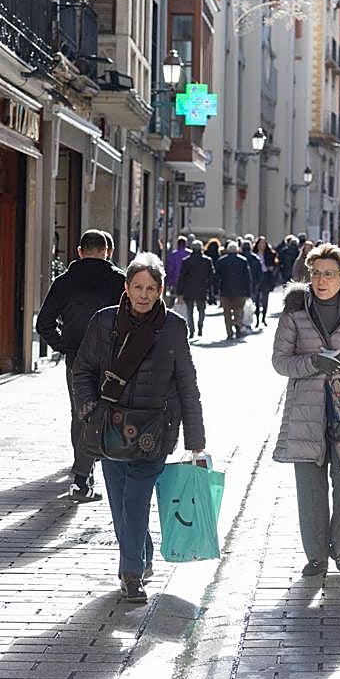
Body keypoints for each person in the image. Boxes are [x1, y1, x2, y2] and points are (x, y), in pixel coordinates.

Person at [71, 253, 204, 604]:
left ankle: (130, 574)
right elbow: (82, 370)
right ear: (126, 288)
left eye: (151, 288)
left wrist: (195, 439)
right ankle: (141, 554)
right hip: (110, 428)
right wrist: (88, 407)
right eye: (138, 287)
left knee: (135, 499)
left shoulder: (173, 328)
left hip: (153, 432)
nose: (144, 295)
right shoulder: (104, 323)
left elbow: (186, 384)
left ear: (161, 291)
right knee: (121, 507)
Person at [272, 244, 340, 577]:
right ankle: (316, 555)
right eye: (315, 273)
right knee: (310, 488)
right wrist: (312, 363)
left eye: (328, 274)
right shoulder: (294, 313)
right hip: (305, 413)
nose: (320, 280)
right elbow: (280, 361)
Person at [35, 228, 126, 503]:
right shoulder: (119, 281)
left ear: (79, 251)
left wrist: (65, 345)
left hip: (77, 361)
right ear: (107, 251)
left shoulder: (64, 282)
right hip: (113, 361)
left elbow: (44, 324)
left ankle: (82, 473)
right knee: (112, 412)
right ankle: (94, 469)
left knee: (81, 414)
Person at [215, 241, 254, 339]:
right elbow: (247, 278)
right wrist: (248, 292)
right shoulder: (243, 260)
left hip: (225, 290)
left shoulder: (221, 261)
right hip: (240, 291)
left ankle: (229, 332)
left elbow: (217, 277)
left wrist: (216, 291)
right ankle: (238, 325)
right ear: (237, 250)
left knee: (227, 312)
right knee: (238, 310)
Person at [177, 239, 215, 338]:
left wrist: (179, 292)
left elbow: (182, 277)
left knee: (190, 311)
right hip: (202, 289)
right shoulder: (207, 261)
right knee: (201, 310)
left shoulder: (186, 261)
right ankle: (200, 326)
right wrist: (210, 288)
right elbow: (211, 276)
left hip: (189, 289)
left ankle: (192, 329)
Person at [253, 236, 279, 328]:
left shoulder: (270, 254)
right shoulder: (254, 254)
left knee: (265, 299)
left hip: (266, 278)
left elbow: (275, 266)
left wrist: (271, 268)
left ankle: (263, 317)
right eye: (260, 243)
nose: (262, 245)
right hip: (257, 278)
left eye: (264, 243)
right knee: (256, 299)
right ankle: (256, 317)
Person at [164, 236, 191, 307]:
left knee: (173, 297)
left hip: (175, 279)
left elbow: (170, 269)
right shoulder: (189, 254)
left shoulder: (173, 255)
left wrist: (169, 281)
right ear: (185, 244)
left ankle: (170, 311)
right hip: (187, 280)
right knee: (187, 299)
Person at [204, 238, 222, 303]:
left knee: (208, 285)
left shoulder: (206, 253)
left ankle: (209, 296)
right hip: (216, 271)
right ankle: (214, 297)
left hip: (207, 271)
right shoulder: (218, 254)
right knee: (215, 285)